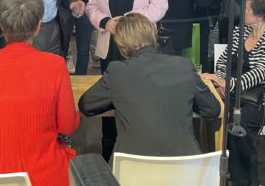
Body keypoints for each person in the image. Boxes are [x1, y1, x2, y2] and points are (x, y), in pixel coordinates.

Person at [0, 0, 79, 186]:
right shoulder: (54, 65)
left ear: (1, 25)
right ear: (37, 27)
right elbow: (68, 125)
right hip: (41, 181)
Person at [79, 13, 220, 161]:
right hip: (184, 172)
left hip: (131, 173)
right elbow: (212, 109)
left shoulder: (117, 71)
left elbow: (86, 105)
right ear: (153, 35)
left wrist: (118, 100)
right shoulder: (183, 66)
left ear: (121, 44)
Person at [86, 0, 168, 161]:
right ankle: (108, 149)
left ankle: (137, 151)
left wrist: (129, 22)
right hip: (109, 45)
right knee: (110, 98)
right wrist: (105, 22)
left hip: (139, 48)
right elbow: (92, 5)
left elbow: (160, 6)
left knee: (139, 100)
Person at [202, 0, 265, 186]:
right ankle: (215, 176)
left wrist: (228, 84)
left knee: (239, 127)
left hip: (256, 101)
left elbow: (261, 72)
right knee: (210, 113)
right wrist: (219, 81)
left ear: (260, 15)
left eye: (247, 10)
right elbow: (224, 61)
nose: (243, 13)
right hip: (228, 94)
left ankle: (242, 183)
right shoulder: (240, 31)